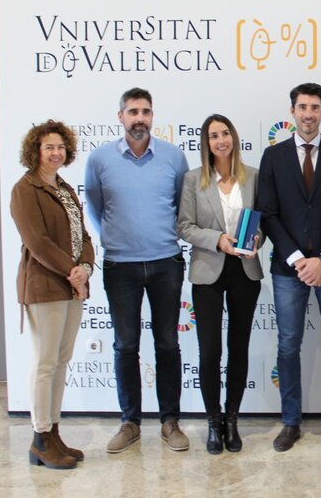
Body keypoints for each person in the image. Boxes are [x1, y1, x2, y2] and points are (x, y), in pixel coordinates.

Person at [85, 87, 190, 454]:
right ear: (121, 117)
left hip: (166, 263)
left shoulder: (174, 158)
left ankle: (169, 422)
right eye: (133, 112)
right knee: (126, 345)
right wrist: (118, 238)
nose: (139, 118)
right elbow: (96, 209)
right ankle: (130, 422)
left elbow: (182, 207)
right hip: (120, 266)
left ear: (152, 116)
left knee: (167, 344)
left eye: (145, 111)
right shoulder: (99, 160)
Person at [257, 82, 321, 452]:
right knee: (287, 346)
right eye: (302, 107)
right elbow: (268, 214)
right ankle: (290, 422)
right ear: (292, 112)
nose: (308, 113)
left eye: (315, 107)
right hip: (289, 270)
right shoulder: (273, 157)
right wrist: (300, 260)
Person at [10, 120, 94, 470]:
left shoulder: (64, 187)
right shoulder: (25, 189)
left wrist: (86, 268)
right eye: (49, 147)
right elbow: (38, 242)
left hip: (73, 286)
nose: (56, 152)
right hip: (45, 286)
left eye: (60, 146)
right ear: (36, 151)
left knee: (61, 361)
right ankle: (40, 437)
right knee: (45, 364)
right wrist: (72, 272)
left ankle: (54, 433)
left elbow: (84, 237)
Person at [177, 114, 263, 454]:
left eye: (225, 133)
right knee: (210, 350)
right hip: (207, 271)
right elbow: (184, 226)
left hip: (245, 270)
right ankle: (213, 420)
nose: (220, 140)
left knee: (239, 348)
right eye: (213, 135)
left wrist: (258, 238)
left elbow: (263, 222)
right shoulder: (193, 180)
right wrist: (217, 240)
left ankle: (232, 420)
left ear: (234, 136)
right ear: (206, 143)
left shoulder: (253, 177)